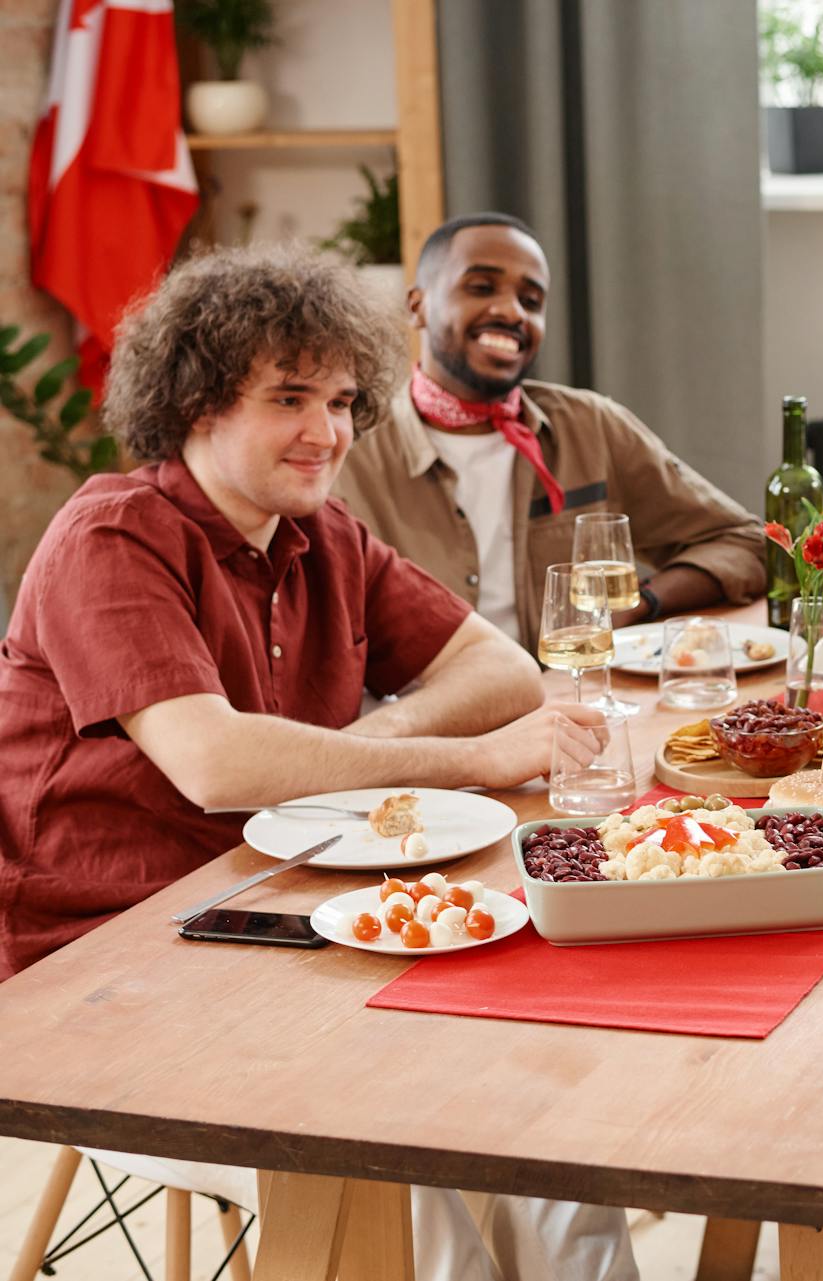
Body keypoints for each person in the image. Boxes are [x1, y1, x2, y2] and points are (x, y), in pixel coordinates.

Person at [0, 244, 636, 1280]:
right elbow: (213, 762)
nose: (329, 432)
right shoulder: (112, 535)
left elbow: (505, 668)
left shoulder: (321, 534)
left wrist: (371, 750)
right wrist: (465, 762)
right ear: (197, 399)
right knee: (404, 1172)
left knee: (547, 1117)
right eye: (290, 398)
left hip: (291, 929)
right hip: (113, 985)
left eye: (343, 400)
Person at [333, 212, 764, 650]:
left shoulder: (591, 428)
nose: (510, 311)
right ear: (417, 306)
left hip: (571, 698)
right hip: (428, 710)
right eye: (481, 288)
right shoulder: (347, 449)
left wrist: (643, 604)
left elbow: (744, 542)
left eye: (531, 300)